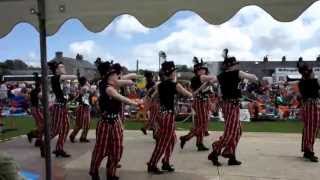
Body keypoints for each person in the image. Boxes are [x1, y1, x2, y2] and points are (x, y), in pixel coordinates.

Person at [89, 60, 141, 180]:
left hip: (116, 121)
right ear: (108, 77)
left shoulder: (112, 83)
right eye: (114, 75)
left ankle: (111, 174)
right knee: (101, 149)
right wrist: (134, 102)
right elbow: (120, 97)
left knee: (117, 148)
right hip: (105, 123)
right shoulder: (107, 88)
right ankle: (94, 171)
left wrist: (137, 76)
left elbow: (127, 79)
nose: (117, 76)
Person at [208, 56, 258, 166]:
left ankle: (230, 154)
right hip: (231, 105)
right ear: (232, 66)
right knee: (231, 132)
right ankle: (216, 150)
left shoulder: (221, 75)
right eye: (235, 64)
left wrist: (209, 81)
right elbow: (253, 77)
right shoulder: (237, 73)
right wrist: (253, 77)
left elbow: (212, 81)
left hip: (229, 105)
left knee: (237, 130)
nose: (237, 66)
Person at [147, 61, 193, 174]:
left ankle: (166, 162)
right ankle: (152, 163)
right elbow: (188, 94)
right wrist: (191, 93)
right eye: (174, 71)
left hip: (162, 114)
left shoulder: (160, 85)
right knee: (163, 142)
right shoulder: (175, 85)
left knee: (172, 140)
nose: (175, 73)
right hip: (167, 116)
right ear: (171, 73)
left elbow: (152, 97)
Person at [180, 57, 214, 151]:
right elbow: (212, 78)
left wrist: (210, 102)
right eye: (200, 69)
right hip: (200, 102)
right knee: (203, 124)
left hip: (204, 101)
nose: (202, 71)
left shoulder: (201, 79)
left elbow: (207, 92)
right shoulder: (199, 78)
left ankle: (199, 143)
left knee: (200, 124)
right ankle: (186, 137)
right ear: (196, 71)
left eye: (203, 69)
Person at [46, 61, 77, 158]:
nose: (64, 68)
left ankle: (59, 148)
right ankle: (43, 143)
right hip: (58, 107)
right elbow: (74, 77)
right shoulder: (55, 78)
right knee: (56, 130)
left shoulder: (62, 80)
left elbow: (68, 92)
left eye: (63, 67)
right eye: (61, 67)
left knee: (66, 128)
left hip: (63, 106)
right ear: (56, 70)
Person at [297, 62, 319, 162]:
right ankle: (309, 150)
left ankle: (307, 149)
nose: (312, 73)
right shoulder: (311, 82)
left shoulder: (303, 82)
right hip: (311, 106)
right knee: (311, 128)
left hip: (309, 106)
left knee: (309, 128)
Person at [69, 76, 91, 143]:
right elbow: (81, 95)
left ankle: (83, 137)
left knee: (86, 124)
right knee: (80, 124)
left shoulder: (84, 87)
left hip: (85, 107)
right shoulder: (84, 88)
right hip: (82, 107)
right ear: (84, 81)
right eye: (86, 80)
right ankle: (72, 135)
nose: (87, 81)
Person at [26, 73, 44, 149]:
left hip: (34, 109)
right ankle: (33, 135)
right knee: (42, 124)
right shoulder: (38, 91)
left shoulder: (33, 91)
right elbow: (42, 100)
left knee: (40, 124)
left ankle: (38, 140)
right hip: (36, 109)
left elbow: (29, 100)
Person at [141, 71, 158, 137]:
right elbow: (152, 93)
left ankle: (151, 131)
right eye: (152, 76)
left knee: (154, 118)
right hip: (153, 102)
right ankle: (150, 130)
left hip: (150, 102)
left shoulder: (148, 83)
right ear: (150, 77)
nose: (153, 77)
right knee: (153, 118)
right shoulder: (152, 83)